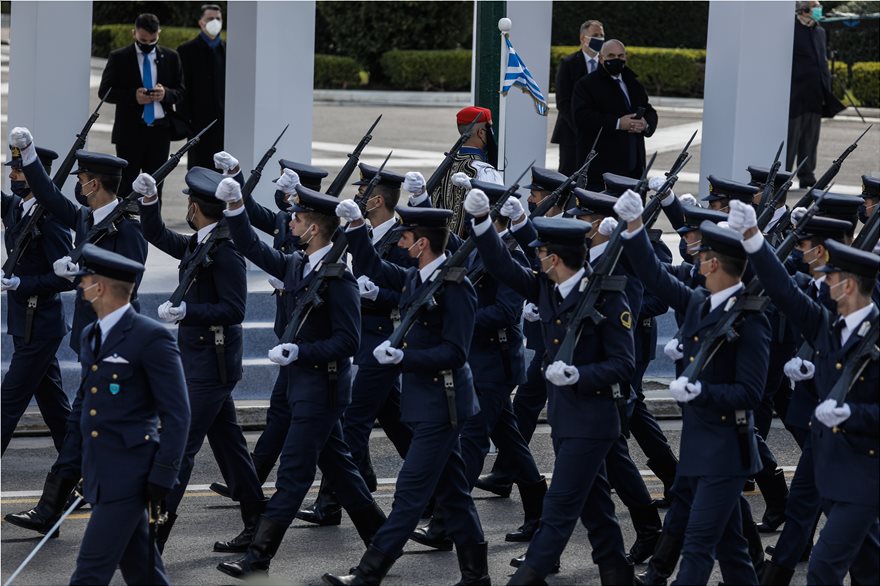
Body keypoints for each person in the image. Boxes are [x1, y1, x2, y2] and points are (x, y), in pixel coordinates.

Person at [216, 181, 386, 579]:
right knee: (343, 472)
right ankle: (382, 542)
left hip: (321, 388)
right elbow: (254, 248)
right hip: (298, 385)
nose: (291, 221)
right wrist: (237, 206)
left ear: (315, 228)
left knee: (293, 473)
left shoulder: (339, 279)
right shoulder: (298, 265)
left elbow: (349, 341)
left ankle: (258, 556)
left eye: (299, 218)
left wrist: (302, 352)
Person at [323, 204, 488, 586]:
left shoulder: (455, 286)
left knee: (409, 495)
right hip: (427, 404)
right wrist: (358, 229)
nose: (402, 243)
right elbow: (377, 270)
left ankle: (368, 574)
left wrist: (404, 357)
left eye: (407, 238)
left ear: (423, 243)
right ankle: (477, 578)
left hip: (442, 405)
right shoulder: (419, 278)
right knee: (456, 496)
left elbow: (456, 352)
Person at [616, 189, 770, 585]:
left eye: (702, 257)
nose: (696, 261)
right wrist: (633, 229)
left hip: (725, 454)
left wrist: (701, 392)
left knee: (698, 550)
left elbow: (749, 394)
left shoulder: (750, 321)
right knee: (733, 550)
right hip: (700, 446)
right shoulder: (703, 301)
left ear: (716, 262)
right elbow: (655, 277)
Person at [4, 129, 149, 537]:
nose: (78, 185)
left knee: (89, 427)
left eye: (82, 178)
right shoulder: (87, 218)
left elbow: (128, 288)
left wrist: (83, 272)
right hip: (92, 341)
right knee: (81, 426)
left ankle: (58, 507)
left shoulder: (128, 229)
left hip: (116, 345)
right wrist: (29, 155)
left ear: (94, 183)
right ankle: (76, 500)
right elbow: (50, 199)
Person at [729, 199, 879, 586]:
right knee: (867, 564)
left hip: (863, 474)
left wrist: (852, 415)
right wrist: (753, 239)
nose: (823, 282)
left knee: (823, 568)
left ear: (848, 285)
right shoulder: (828, 325)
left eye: (831, 277)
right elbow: (782, 291)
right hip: (826, 460)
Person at [132, 168, 266, 554]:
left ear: (194, 207)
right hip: (200, 362)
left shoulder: (225, 251)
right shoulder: (202, 242)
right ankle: (257, 521)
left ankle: (152, 539)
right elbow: (156, 234)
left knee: (180, 447)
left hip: (213, 362)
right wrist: (149, 203)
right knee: (230, 448)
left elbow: (234, 308)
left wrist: (187, 311)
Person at [298, 164, 419, 527]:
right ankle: (434, 489)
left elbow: (409, 291)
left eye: (364, 191)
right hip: (363, 338)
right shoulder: (364, 233)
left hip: (382, 339)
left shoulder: (400, 237)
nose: (358, 196)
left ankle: (331, 502)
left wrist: (374, 292)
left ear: (377, 200)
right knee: (396, 423)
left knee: (351, 425)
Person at [64, 244, 190, 585]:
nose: (80, 286)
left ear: (100, 287)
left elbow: (177, 414)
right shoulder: (92, 334)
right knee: (143, 571)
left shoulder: (150, 337)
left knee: (89, 572)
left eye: (85, 280)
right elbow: (92, 408)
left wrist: (164, 474)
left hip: (130, 475)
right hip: (101, 472)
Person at [207, 153, 330, 500]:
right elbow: (247, 220)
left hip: (307, 340)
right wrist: (236, 176)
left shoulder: (317, 231)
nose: (283, 199)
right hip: (288, 329)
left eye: (289, 193)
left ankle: (254, 484)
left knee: (311, 428)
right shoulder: (284, 220)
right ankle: (249, 481)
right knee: (283, 415)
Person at [1, 146, 73, 454]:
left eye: (18, 170)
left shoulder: (51, 220)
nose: (11, 175)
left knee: (7, 403)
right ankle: (82, 470)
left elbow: (66, 278)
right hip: (23, 323)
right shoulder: (18, 207)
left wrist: (22, 283)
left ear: (35, 176)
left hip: (40, 323)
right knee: (55, 408)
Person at [98, 13, 185, 202]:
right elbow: (104, 91)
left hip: (159, 132)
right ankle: (123, 227)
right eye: (143, 39)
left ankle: (151, 229)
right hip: (130, 131)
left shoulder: (171, 57)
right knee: (126, 186)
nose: (148, 43)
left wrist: (166, 94)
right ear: (134, 33)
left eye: (153, 40)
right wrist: (132, 96)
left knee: (155, 187)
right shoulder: (120, 57)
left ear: (159, 34)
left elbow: (181, 91)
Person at [572, 39, 658, 190]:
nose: (616, 60)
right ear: (601, 58)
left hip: (634, 168)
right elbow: (581, 117)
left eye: (620, 56)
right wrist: (618, 123)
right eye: (611, 56)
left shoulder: (633, 83)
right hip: (601, 170)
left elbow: (649, 110)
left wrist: (645, 124)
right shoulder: (586, 85)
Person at [787, 1, 845, 189]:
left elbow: (823, 61)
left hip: (815, 93)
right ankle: (784, 176)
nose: (819, 9)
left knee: (810, 137)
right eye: (815, 6)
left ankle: (807, 174)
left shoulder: (820, 31)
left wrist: (826, 88)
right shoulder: (790, 30)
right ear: (804, 10)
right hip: (795, 93)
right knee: (791, 137)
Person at [432, 106, 502, 237]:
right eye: (490, 129)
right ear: (481, 133)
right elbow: (495, 221)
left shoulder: (443, 168)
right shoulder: (486, 171)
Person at [550, 20, 605, 175]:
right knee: (568, 177)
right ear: (583, 38)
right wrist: (581, 128)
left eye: (602, 35)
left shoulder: (606, 65)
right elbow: (563, 102)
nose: (600, 39)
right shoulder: (568, 64)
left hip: (599, 136)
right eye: (595, 35)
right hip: (572, 134)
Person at [176, 4, 226, 169]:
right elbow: (182, 88)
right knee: (199, 169)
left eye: (218, 18)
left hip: (224, 125)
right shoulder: (186, 50)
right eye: (210, 19)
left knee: (222, 172)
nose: (215, 22)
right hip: (197, 124)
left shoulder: (228, 50)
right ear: (201, 22)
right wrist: (186, 121)